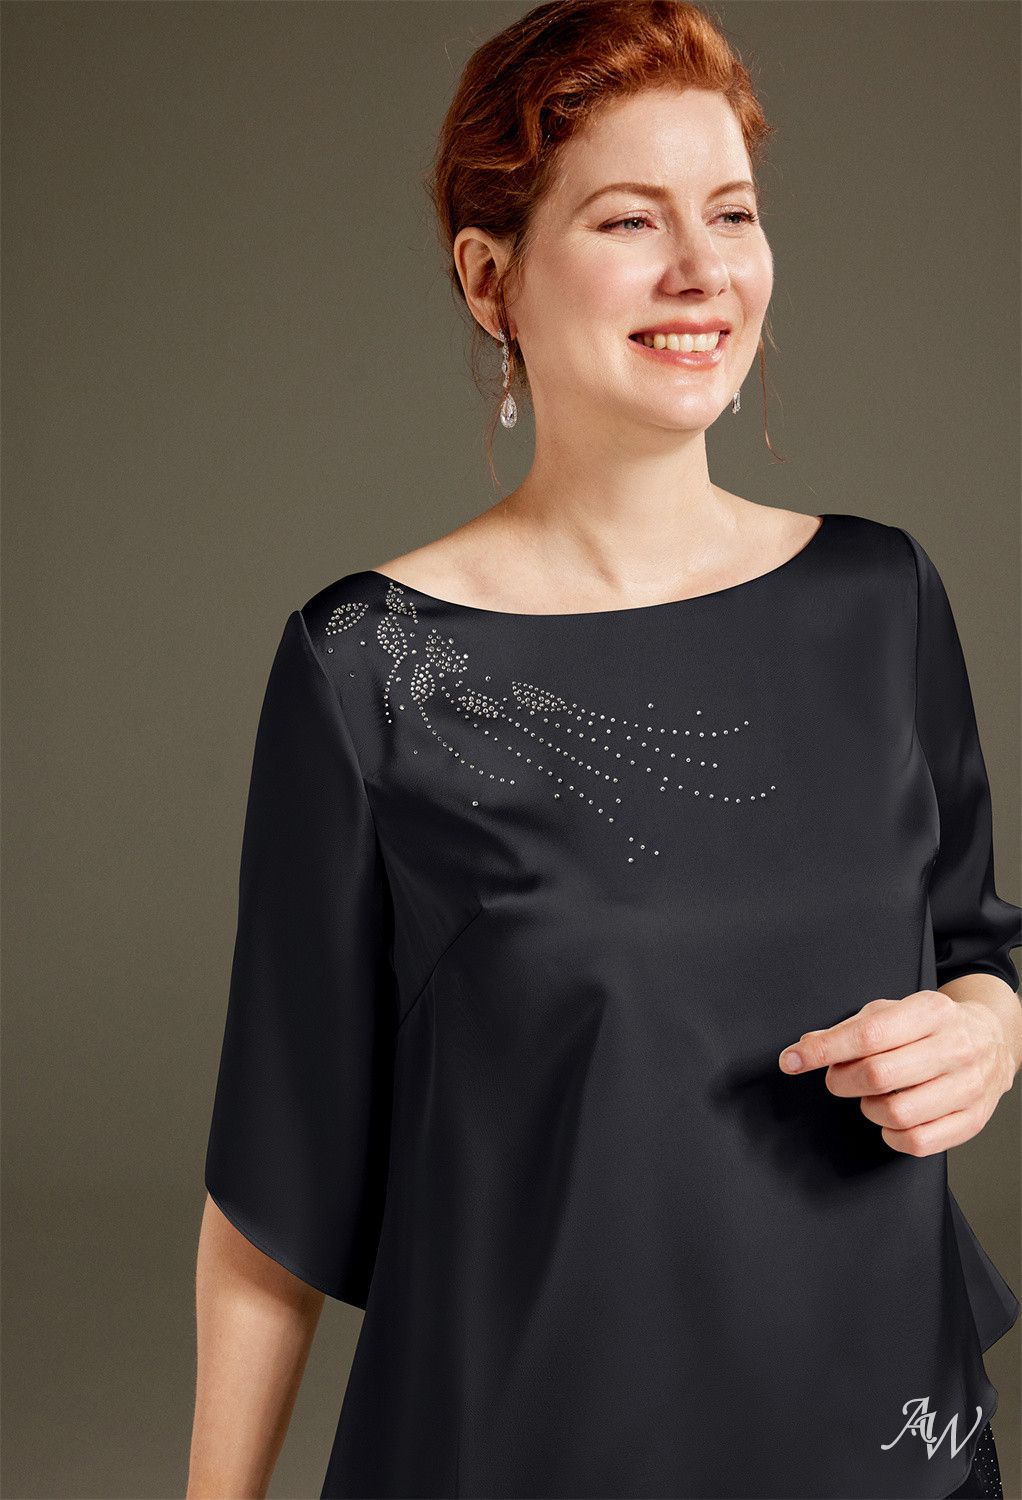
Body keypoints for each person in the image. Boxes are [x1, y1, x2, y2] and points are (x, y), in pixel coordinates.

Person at [188, 3, 1021, 1496]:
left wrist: (986, 1030)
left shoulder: (880, 598)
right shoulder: (371, 665)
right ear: (488, 278)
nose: (702, 270)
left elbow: (978, 946)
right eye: (630, 219)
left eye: (732, 214)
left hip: (887, 1447)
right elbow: (273, 1174)